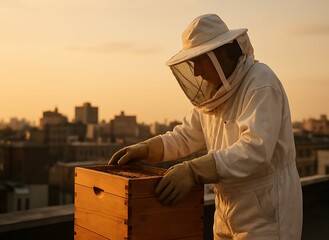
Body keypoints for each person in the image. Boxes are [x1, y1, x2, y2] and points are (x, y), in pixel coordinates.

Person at [108, 13, 303, 239]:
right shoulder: (216, 95)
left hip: (268, 209)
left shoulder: (260, 82)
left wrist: (193, 170)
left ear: (220, 54)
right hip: (226, 207)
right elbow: (186, 136)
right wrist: (147, 148)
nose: (197, 72)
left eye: (199, 62)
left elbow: (256, 150)